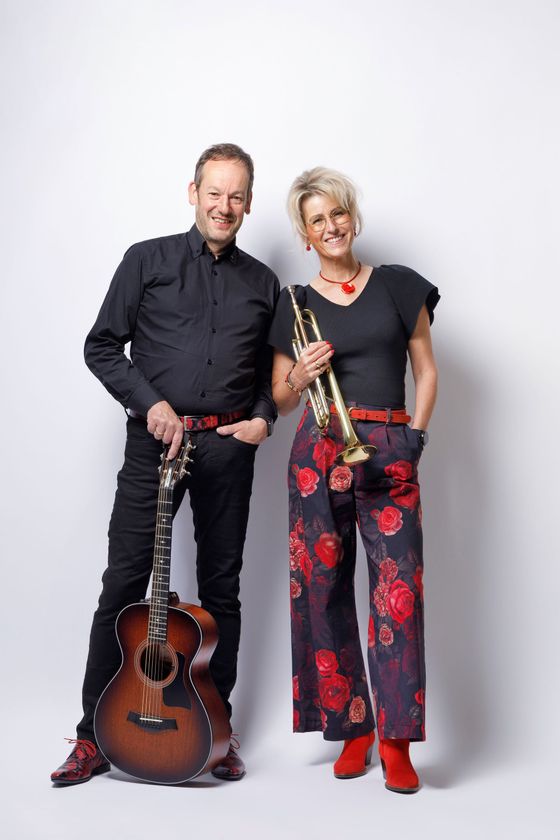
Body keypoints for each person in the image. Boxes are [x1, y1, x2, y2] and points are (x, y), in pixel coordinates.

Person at [51, 143, 279, 785]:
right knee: (123, 583)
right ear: (193, 193)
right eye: (215, 192)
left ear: (249, 204)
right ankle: (92, 737)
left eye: (236, 196)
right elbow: (101, 345)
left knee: (222, 589)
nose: (224, 206)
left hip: (227, 450)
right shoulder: (145, 260)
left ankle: (217, 732)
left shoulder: (265, 282)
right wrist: (150, 404)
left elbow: (270, 374)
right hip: (154, 444)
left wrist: (263, 418)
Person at [268, 167, 439, 793]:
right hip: (318, 452)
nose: (331, 226)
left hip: (388, 445)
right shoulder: (295, 304)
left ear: (352, 216)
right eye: (317, 220)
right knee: (323, 589)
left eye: (338, 213)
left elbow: (426, 371)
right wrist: (299, 374)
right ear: (305, 234)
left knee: (399, 593)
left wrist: (414, 438)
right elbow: (281, 398)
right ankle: (353, 729)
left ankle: (397, 741)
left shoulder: (397, 285)